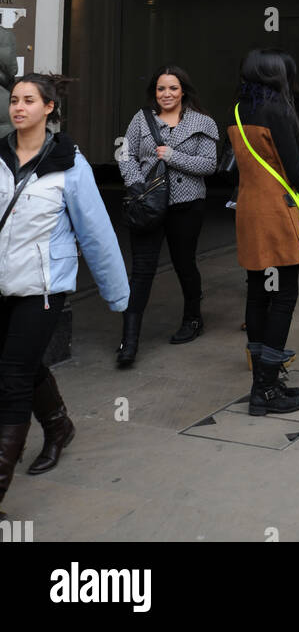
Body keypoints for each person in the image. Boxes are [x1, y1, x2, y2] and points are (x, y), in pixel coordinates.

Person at [0, 73, 129, 512]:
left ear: (49, 108)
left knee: (12, 376)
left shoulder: (69, 164)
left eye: (28, 100)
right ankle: (58, 426)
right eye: (14, 100)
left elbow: (96, 233)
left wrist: (118, 296)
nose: (18, 107)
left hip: (43, 288)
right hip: (2, 283)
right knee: (21, 362)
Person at [228, 48, 299, 414]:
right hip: (275, 213)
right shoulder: (276, 110)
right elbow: (294, 172)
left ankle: (263, 382)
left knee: (259, 292)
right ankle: (266, 388)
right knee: (284, 295)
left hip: (248, 210)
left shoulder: (237, 111)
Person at [116, 64, 218, 366]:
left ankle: (193, 318)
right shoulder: (141, 119)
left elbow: (208, 165)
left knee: (184, 263)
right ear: (154, 92)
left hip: (186, 205)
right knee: (142, 270)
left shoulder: (203, 122)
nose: (167, 94)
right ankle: (129, 340)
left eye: (173, 88)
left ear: (183, 90)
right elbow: (126, 155)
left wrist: (173, 156)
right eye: (161, 88)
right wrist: (135, 185)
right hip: (147, 203)